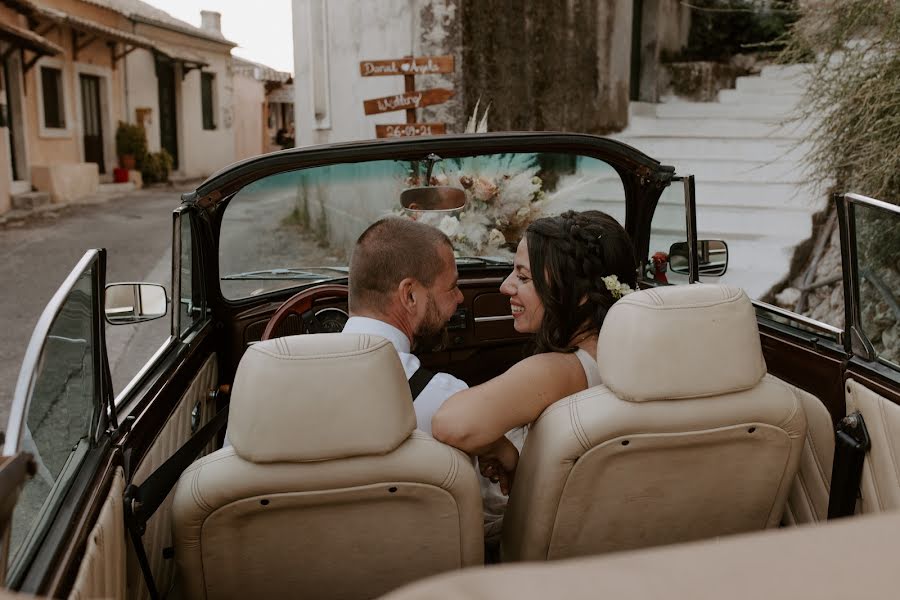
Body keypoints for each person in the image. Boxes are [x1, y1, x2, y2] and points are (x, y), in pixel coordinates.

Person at [430, 210, 638, 540]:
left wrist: (505, 453)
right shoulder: (635, 356)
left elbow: (450, 423)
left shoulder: (558, 371)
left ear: (577, 293)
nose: (504, 286)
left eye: (523, 278)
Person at [342, 217, 467, 433]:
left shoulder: (282, 388)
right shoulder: (448, 403)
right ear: (409, 295)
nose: (460, 298)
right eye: (452, 287)